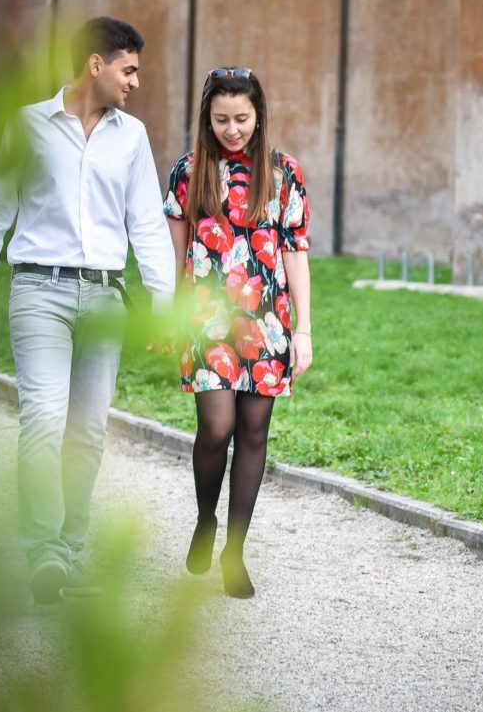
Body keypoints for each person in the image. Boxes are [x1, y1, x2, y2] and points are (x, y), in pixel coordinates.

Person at [0, 17, 176, 604]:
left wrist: (162, 302)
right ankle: (43, 552)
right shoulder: (28, 125)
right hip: (38, 291)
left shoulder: (132, 137)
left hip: (105, 296)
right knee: (43, 417)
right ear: (95, 65)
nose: (135, 82)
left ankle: (70, 550)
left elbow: (147, 225)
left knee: (87, 429)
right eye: (129, 70)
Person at [163, 67, 312, 599]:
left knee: (253, 431)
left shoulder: (284, 173)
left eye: (242, 119)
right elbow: (174, 254)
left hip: (268, 320)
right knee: (217, 427)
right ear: (207, 117)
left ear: (259, 116)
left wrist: (303, 331)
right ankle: (206, 519)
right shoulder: (189, 172)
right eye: (221, 119)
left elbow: (295, 253)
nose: (232, 129)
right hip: (205, 321)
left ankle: (234, 551)